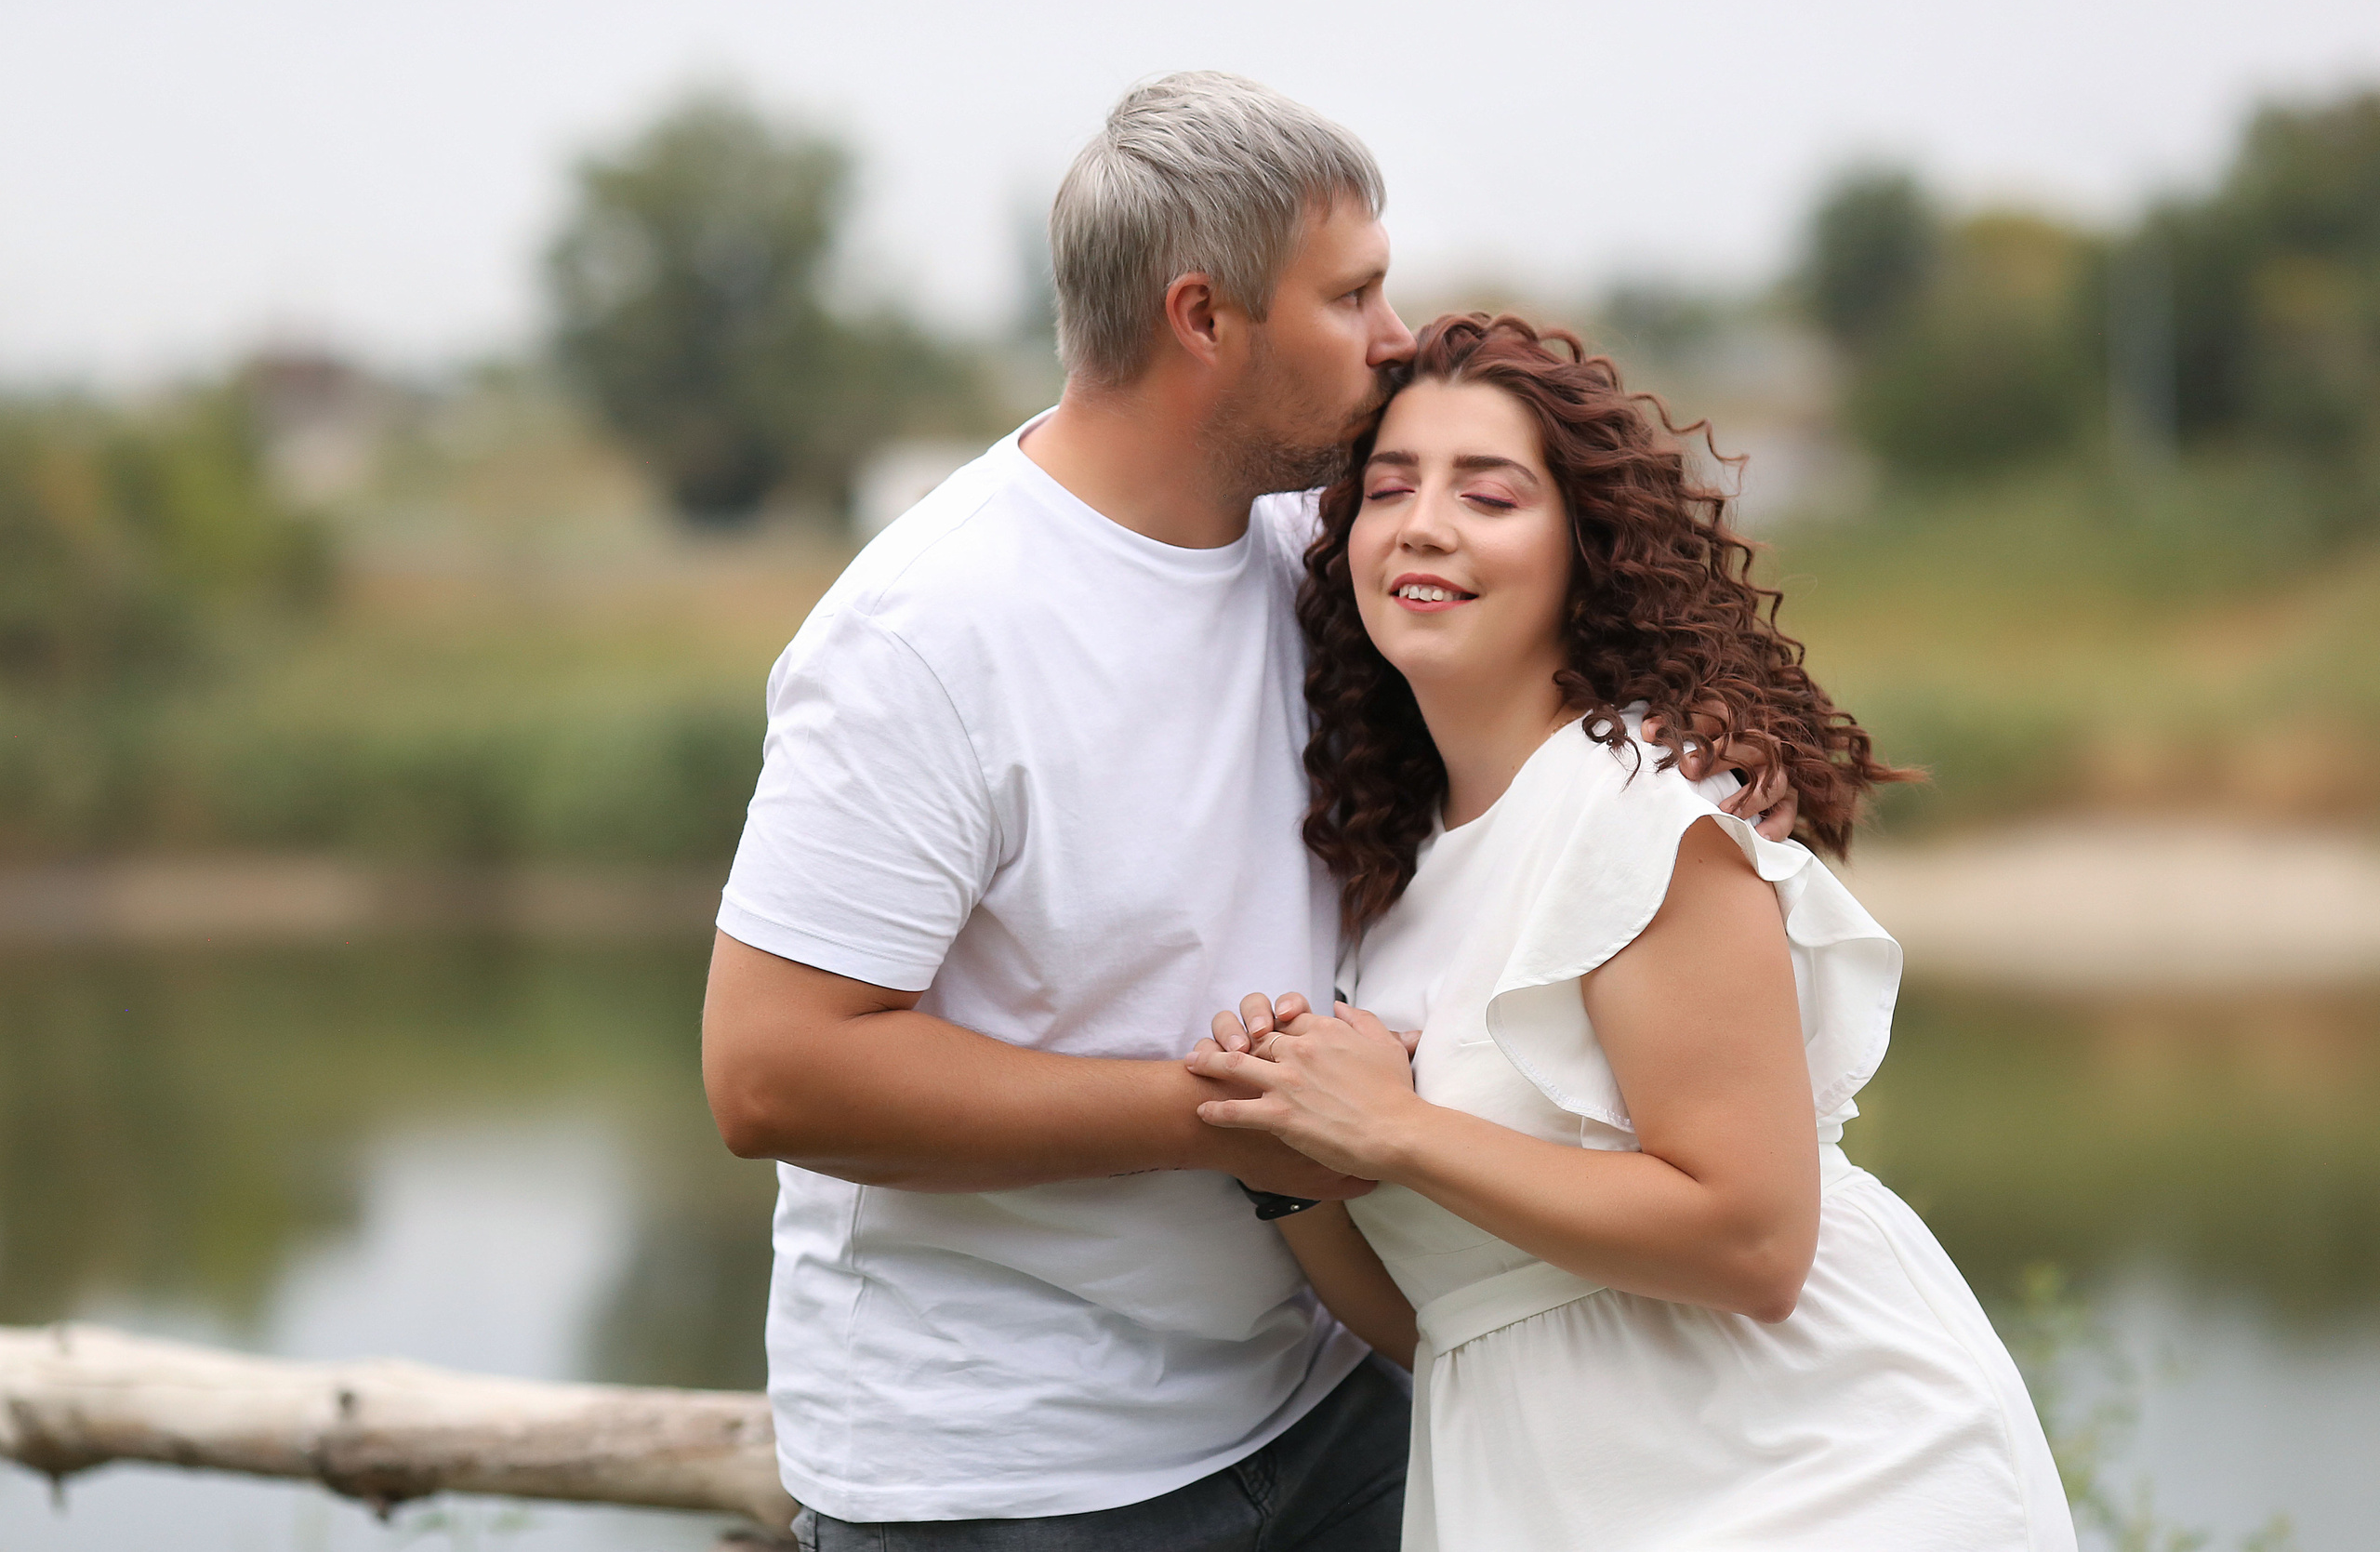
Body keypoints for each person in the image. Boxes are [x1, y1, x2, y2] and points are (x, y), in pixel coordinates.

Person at [702, 76, 1788, 1548]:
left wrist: (1704, 736)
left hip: (1332, 1401)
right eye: (1354, 295)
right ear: (1204, 319)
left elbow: (1547, 656)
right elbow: (770, 1076)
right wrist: (1221, 1123)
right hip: (1017, 1474)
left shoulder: (1311, 545)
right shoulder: (926, 635)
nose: (1396, 337)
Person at [1189, 313, 2078, 1552]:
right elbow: (1460, 1311)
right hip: (1552, 1496)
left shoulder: (1637, 813)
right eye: (1389, 489)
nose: (1425, 523)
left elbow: (1755, 1242)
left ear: (1583, 552)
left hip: (1818, 1487)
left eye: (1489, 496)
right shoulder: (1394, 881)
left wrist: (1396, 1127)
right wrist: (1296, 1176)